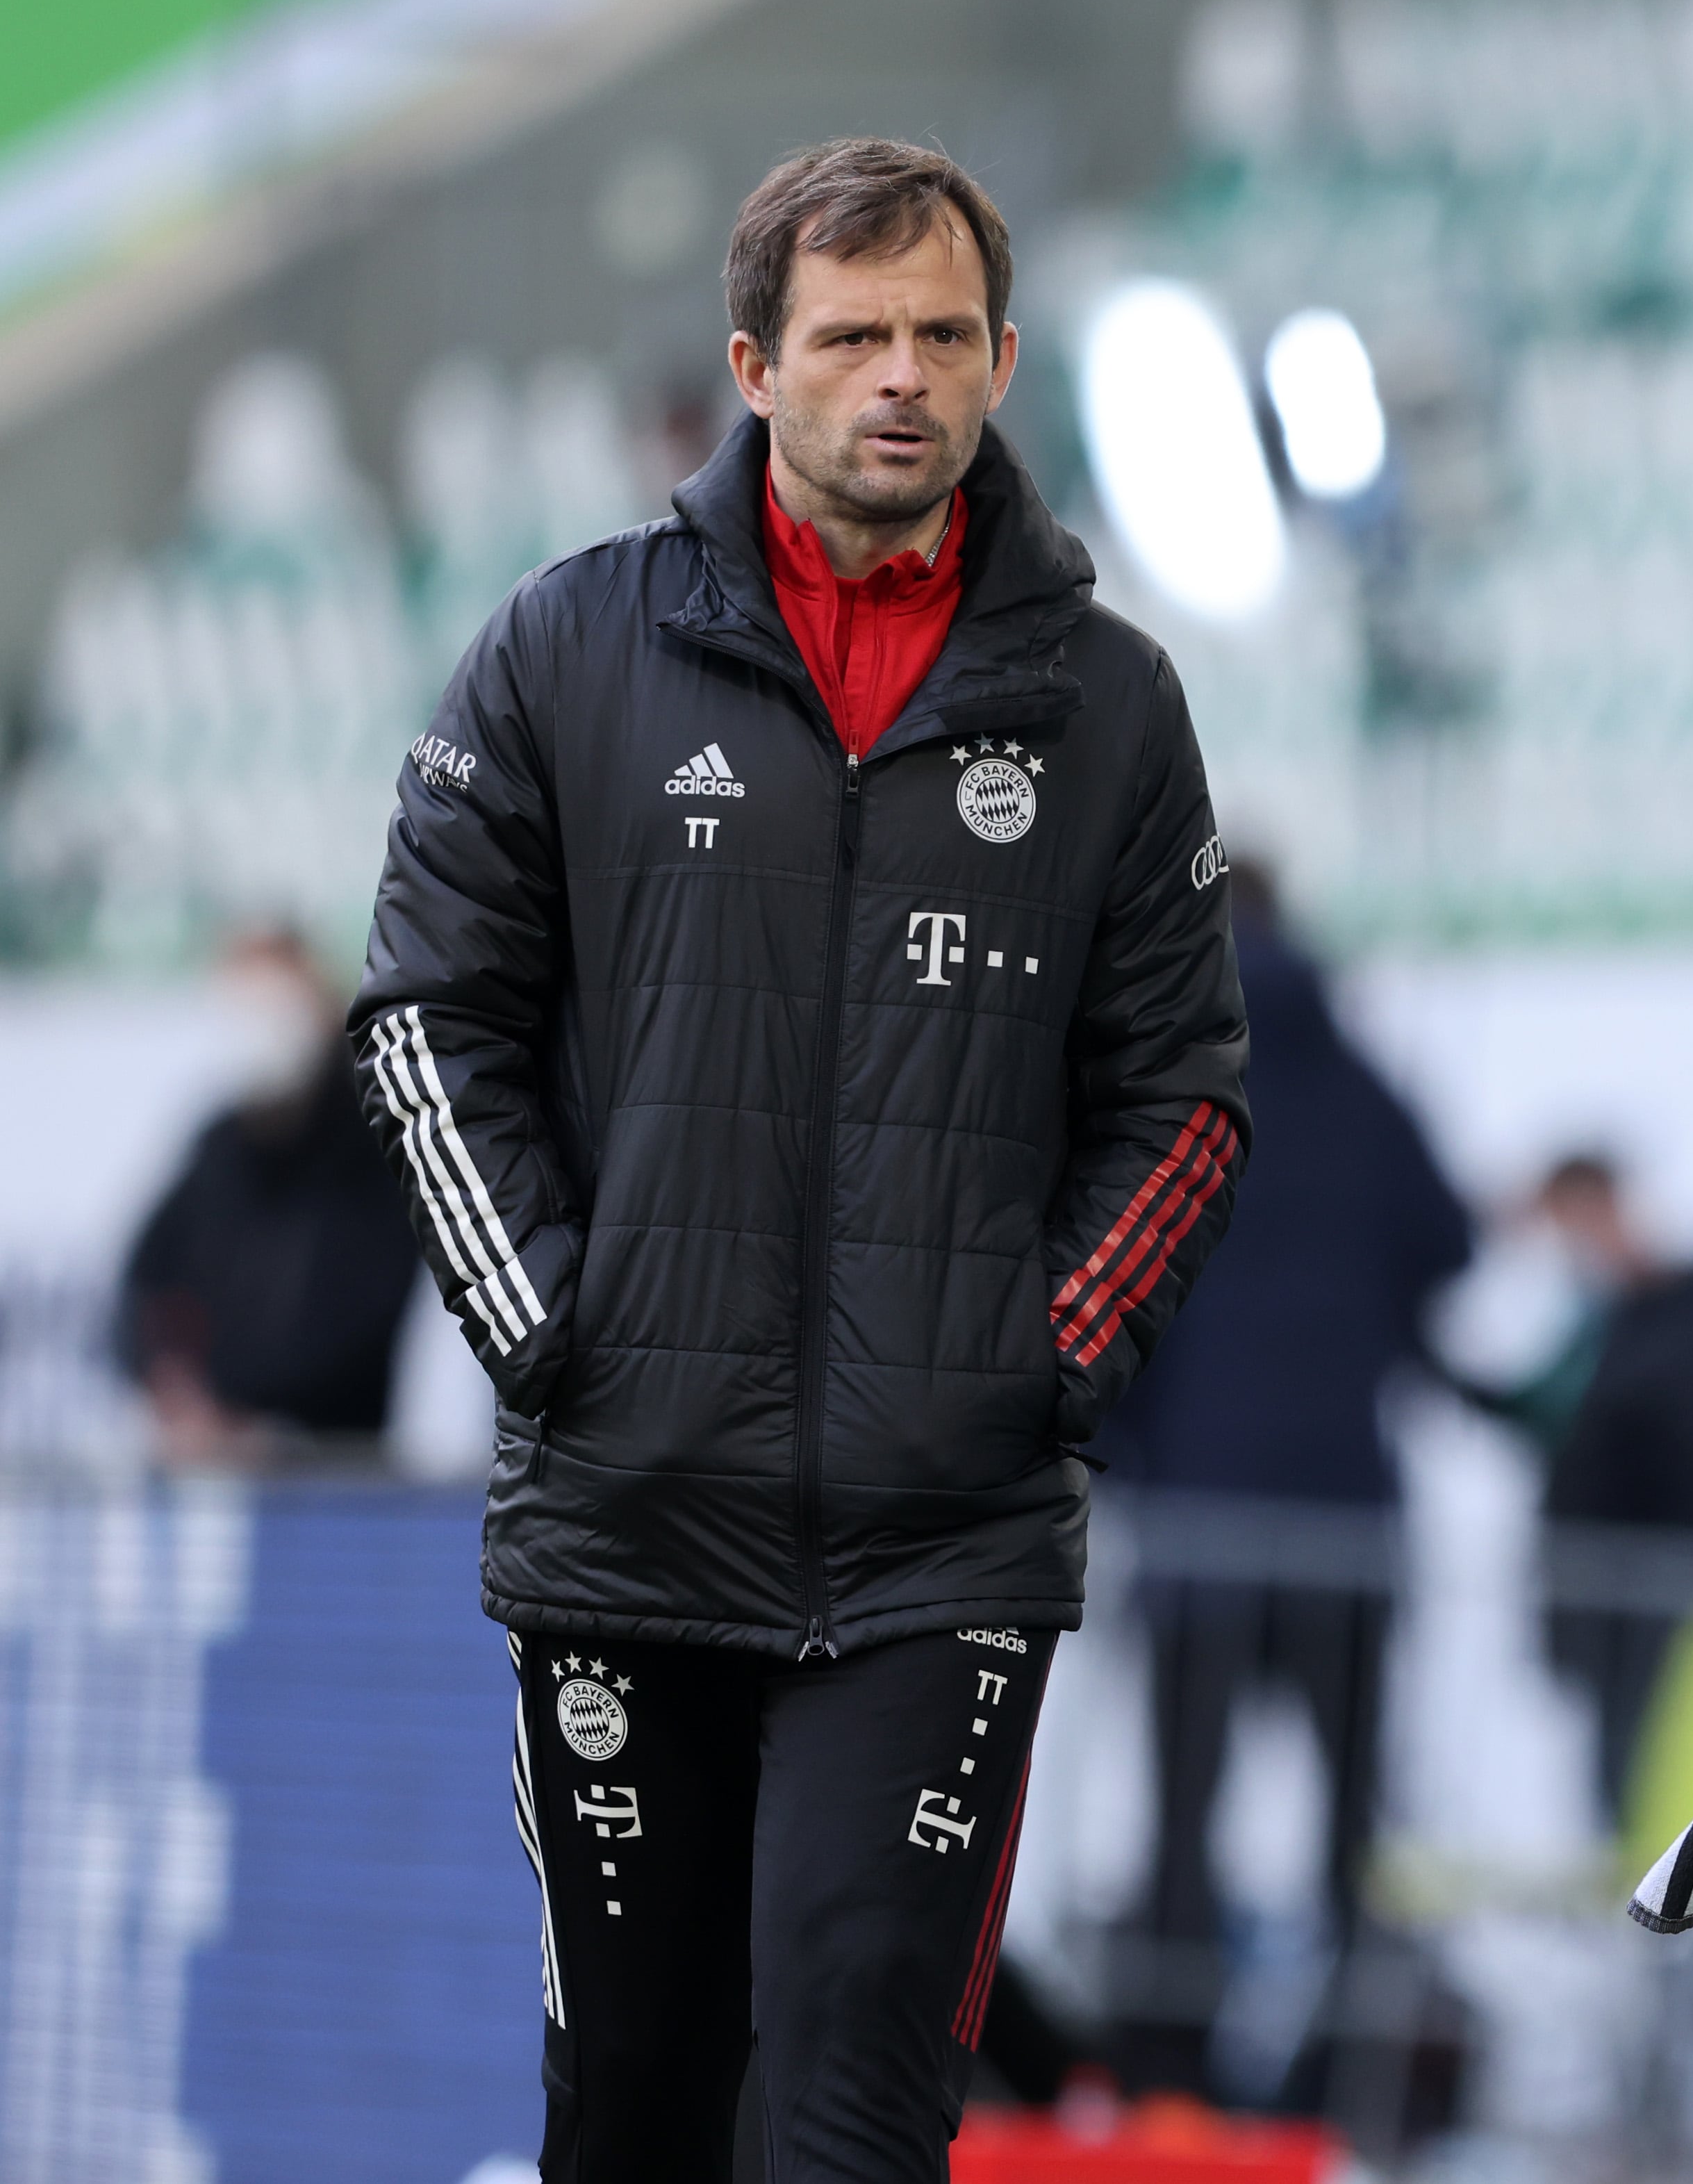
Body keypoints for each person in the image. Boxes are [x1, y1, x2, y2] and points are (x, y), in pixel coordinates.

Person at [351, 138, 1248, 2181]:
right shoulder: (562, 650)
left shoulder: (1112, 707)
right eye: (852, 336)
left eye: (942, 334)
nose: (900, 377)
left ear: (1007, 361)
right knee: (639, 2115)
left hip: (944, 1549)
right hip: (625, 1519)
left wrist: (1034, 1363)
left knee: (853, 2110)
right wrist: (548, 1323)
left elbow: (1184, 1096)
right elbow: (426, 1015)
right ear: (756, 365)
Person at [1102, 861, 1471, 2099]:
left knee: (1182, 1810)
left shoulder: (1161, 1081)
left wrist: (1133, 1449)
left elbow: (1110, 1286)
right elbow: (1450, 1236)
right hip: (1343, 1515)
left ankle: (1170, 2075)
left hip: (1201, 1510)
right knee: (1350, 1821)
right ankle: (1342, 2071)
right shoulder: (1358, 1076)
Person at [1472, 1153, 1693, 1825]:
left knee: (1673, 1762)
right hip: (1598, 1575)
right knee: (1615, 1765)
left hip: (1668, 1571)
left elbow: (1639, 1417)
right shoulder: (1598, 1324)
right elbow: (1540, 1410)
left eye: (1575, 1221)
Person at [119, 927, 419, 1469]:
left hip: (339, 1470)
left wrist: (251, 1409)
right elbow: (145, 1283)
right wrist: (175, 1383)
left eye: (272, 1008)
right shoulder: (220, 1145)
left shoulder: (372, 1142)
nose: (256, 1030)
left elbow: (363, 1313)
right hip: (219, 1468)